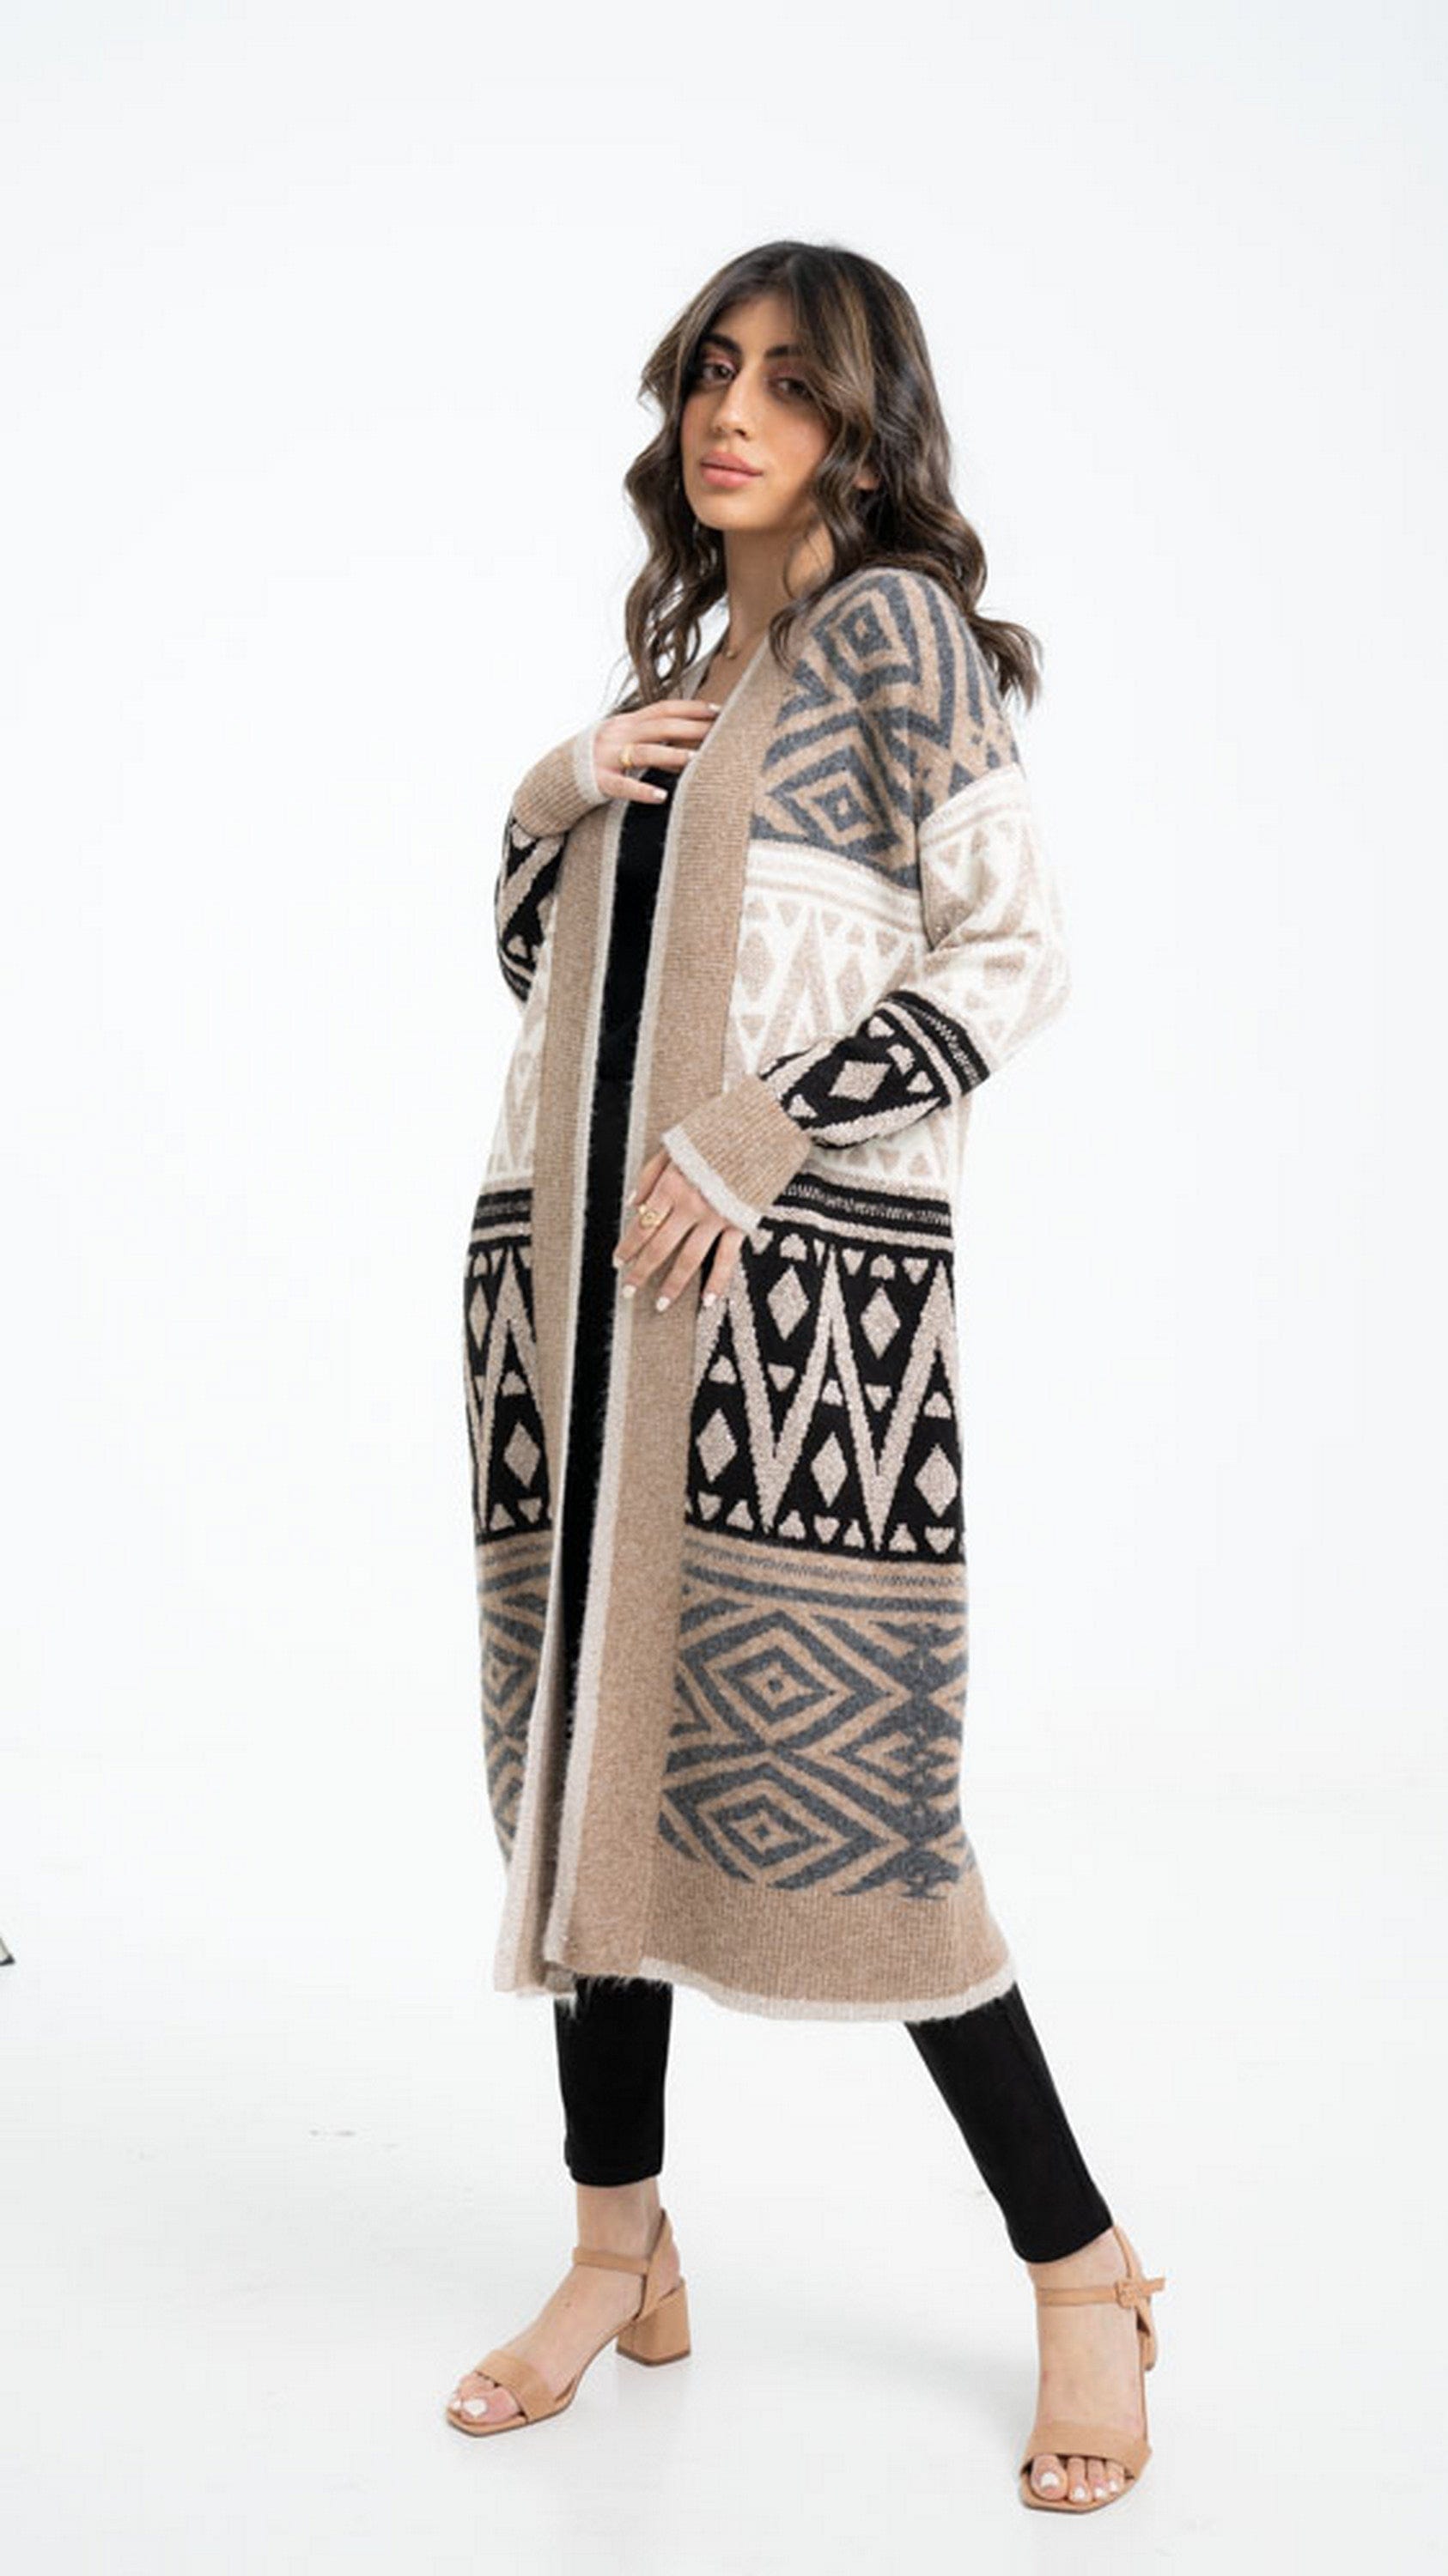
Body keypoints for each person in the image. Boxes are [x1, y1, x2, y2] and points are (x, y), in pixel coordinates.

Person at [449, 241, 1165, 2513]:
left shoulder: (896, 644)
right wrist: (563, 779)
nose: (728, 414)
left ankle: (1083, 2267)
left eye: (784, 382)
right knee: (592, 1780)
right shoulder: (676, 688)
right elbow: (535, 963)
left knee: (870, 1814)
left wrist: (762, 1134)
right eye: (707, 374)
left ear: (865, 427)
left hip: (788, 1330)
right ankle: (619, 2251)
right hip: (572, 1311)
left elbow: (1018, 951)